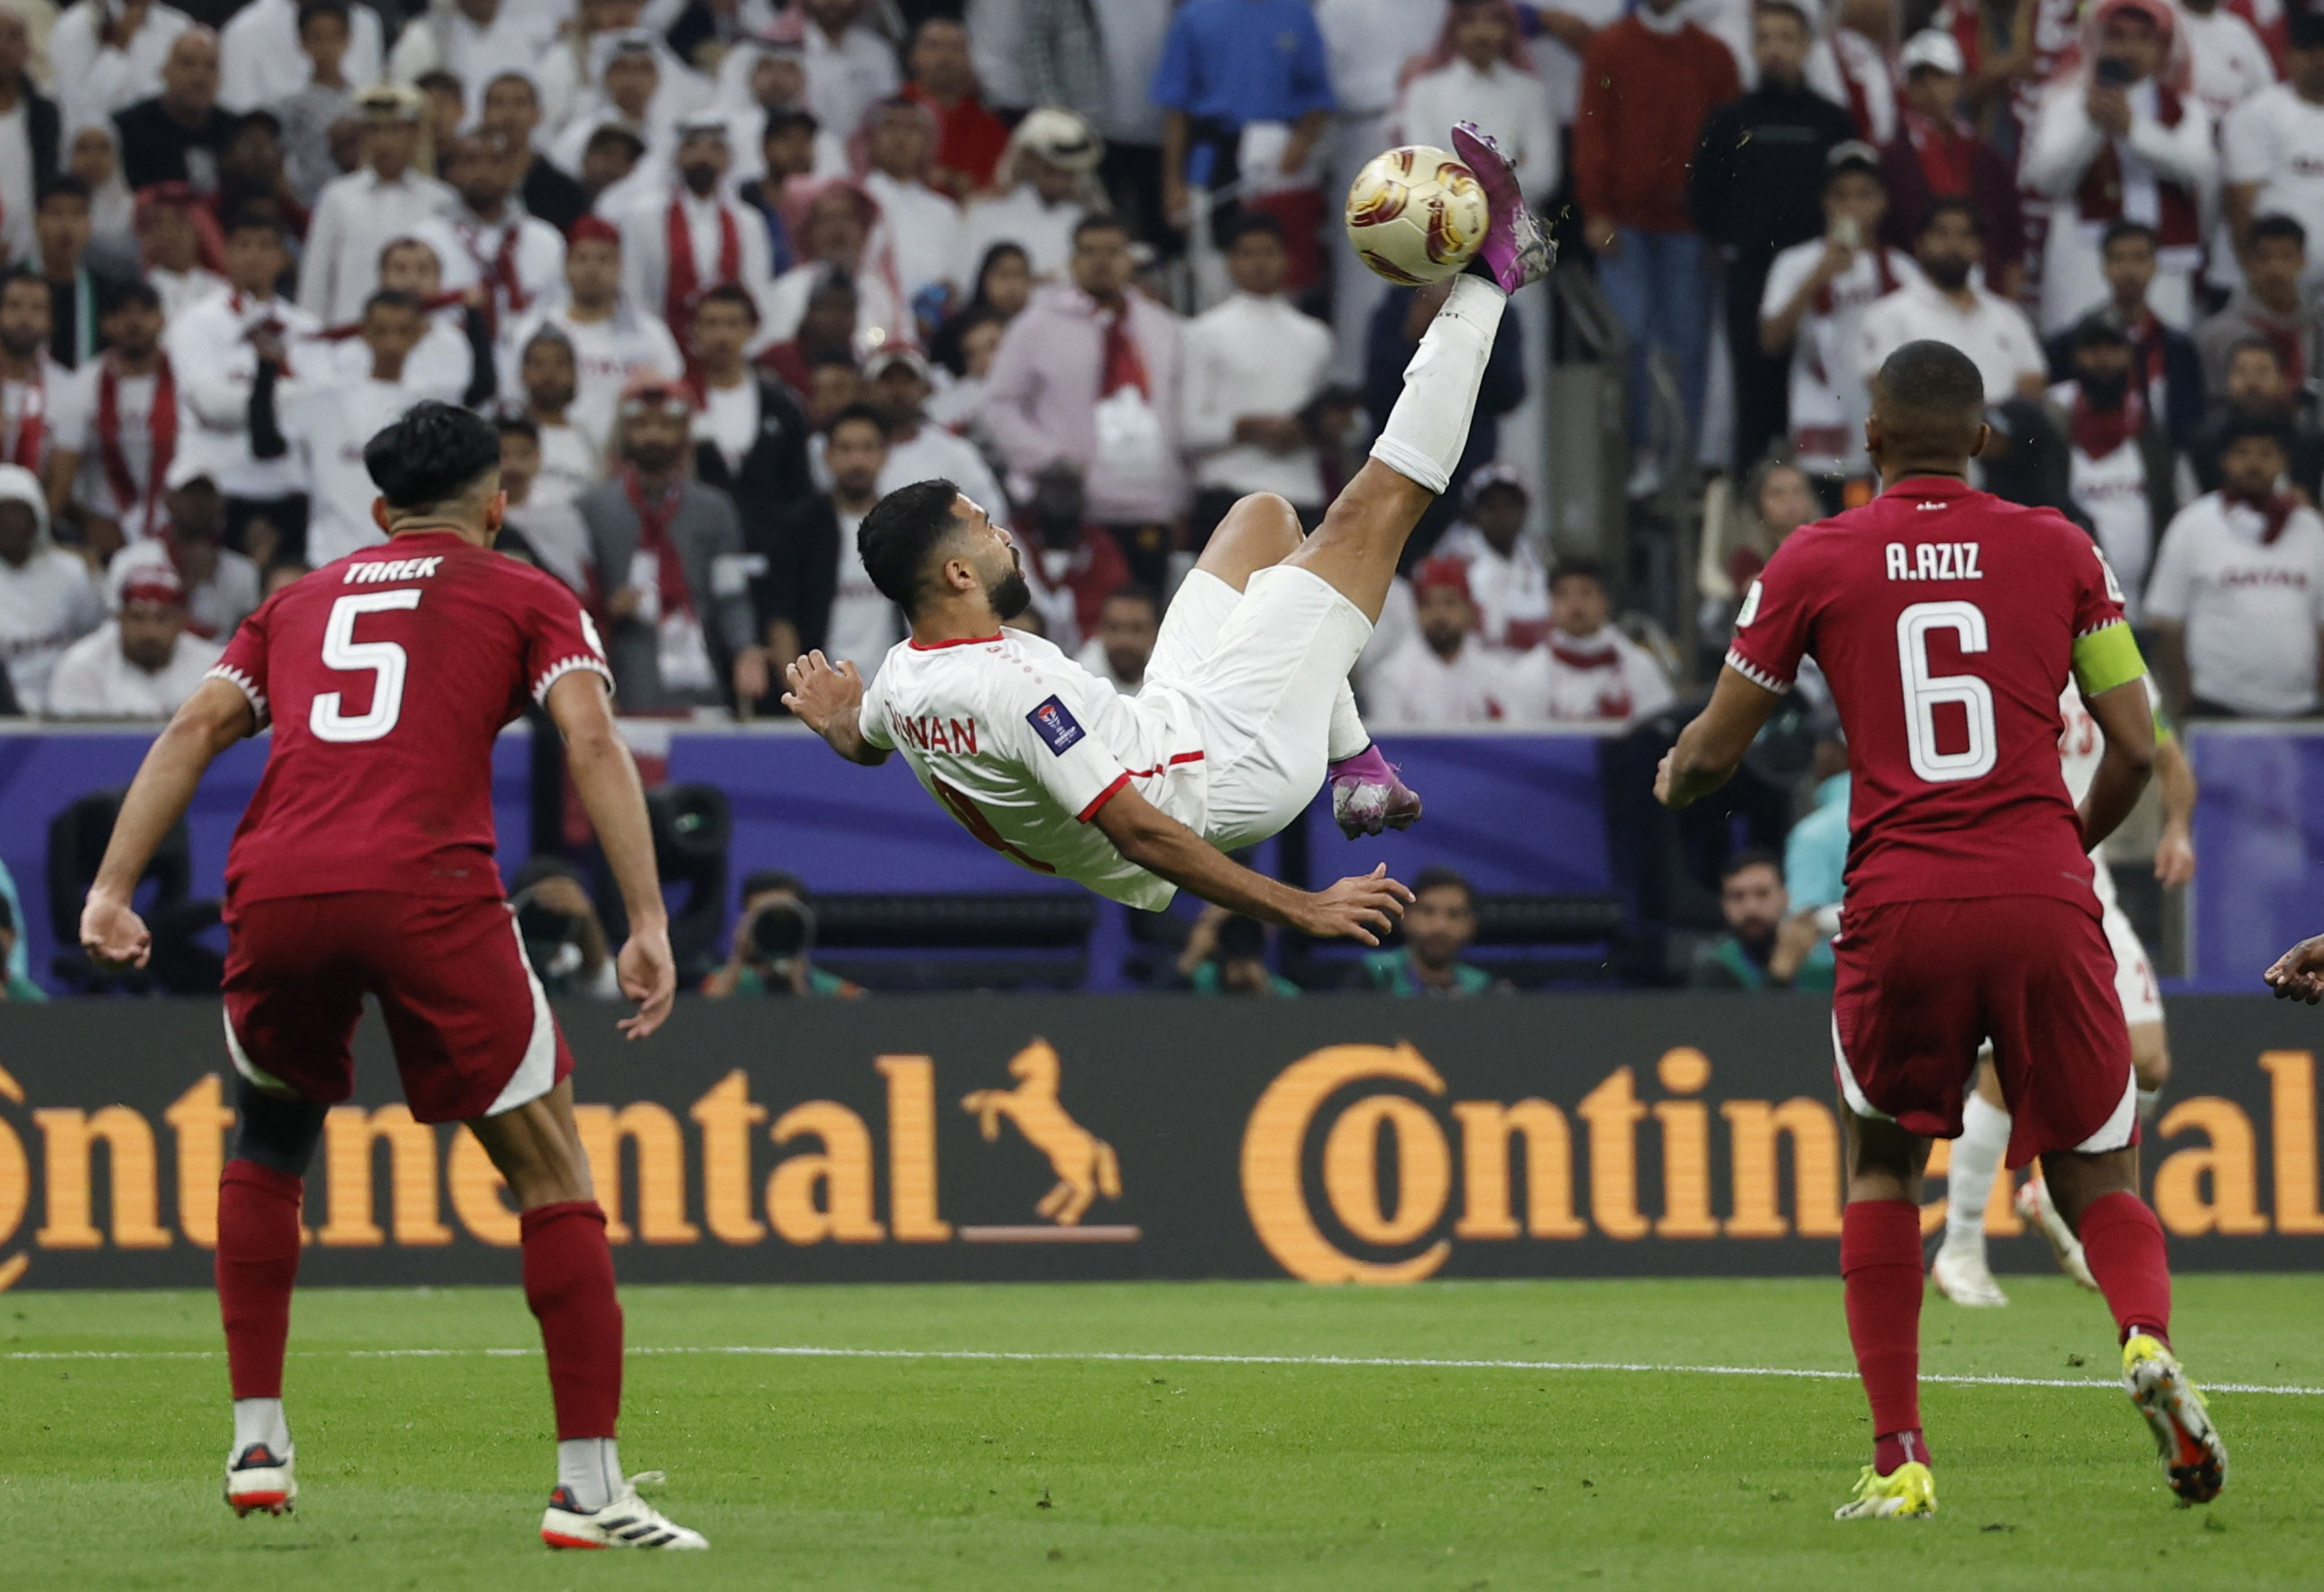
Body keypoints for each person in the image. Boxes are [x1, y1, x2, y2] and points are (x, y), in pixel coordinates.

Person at [75, 400, 704, 1551]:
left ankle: (258, 1440)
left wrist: (110, 889)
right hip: (425, 884)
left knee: (269, 1139)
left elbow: (190, 731)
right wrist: (648, 915)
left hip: (277, 884)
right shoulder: (527, 593)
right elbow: (593, 740)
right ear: (497, 505)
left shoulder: (296, 600)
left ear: (378, 512)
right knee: (550, 1161)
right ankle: (588, 1488)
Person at [1656, 337, 2224, 1518]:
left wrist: (1674, 780)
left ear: (1868, 439)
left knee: (1879, 1160)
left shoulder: (1812, 556)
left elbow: (1714, 753)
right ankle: (2141, 1340)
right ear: (1981, 439)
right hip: (2039, 890)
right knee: (2097, 1168)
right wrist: (2063, 847)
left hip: (1900, 901)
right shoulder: (2063, 549)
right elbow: (2131, 744)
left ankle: (1901, 1457)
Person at [783, 124, 1553, 931]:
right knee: (1376, 503)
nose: (1001, 533)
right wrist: (1302, 906)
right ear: (958, 577)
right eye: (981, 529)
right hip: (1226, 775)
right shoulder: (1013, 690)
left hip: (1167, 723)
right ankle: (1498, 271)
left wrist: (838, 714)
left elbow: (862, 739)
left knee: (1260, 519)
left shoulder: (904, 675)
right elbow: (1143, 833)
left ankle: (1355, 762)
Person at [1932, 674, 2197, 1308]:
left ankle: (2049, 1192)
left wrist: (2176, 827)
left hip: (2086, 872)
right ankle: (1959, 1245)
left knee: (2150, 1059)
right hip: (2015, 872)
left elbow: (2163, 756)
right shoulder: (2006, 650)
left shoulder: (2111, 665)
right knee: (2004, 1068)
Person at [1690, 1, 1862, 474]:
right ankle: (1758, 509)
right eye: (1765, 39)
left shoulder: (1831, 123)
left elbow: (1856, 193)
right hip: (1752, 276)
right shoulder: (1730, 122)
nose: (1776, 50)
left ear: (1806, 47)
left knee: (1824, 388)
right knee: (1755, 394)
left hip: (1820, 274)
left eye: (1787, 38)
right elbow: (1704, 194)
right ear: (1752, 47)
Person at [1574, 0, 1740, 483]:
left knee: (1687, 342)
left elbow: (1726, 146)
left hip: (1689, 229)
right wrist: (1595, 208)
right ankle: (1640, 451)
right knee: (1632, 337)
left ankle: (1680, 458)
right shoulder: (1609, 48)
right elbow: (1593, 127)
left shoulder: (1714, 57)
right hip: (1624, 222)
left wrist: (1717, 224)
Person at [982, 214, 1186, 583]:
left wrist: (1177, 494)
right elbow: (1000, 404)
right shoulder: (1036, 325)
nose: (1102, 261)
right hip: (1073, 507)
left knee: (1146, 628)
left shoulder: (1162, 327)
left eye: (1113, 251)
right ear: (1072, 261)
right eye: (1089, 251)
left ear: (1130, 259)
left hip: (1146, 505)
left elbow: (1174, 411)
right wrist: (1049, 462)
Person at [2022, 0, 2217, 335]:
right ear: (2097, 43)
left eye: (2143, 39)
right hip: (2085, 259)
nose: (2129, 49)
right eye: (2117, 37)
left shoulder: (2188, 111)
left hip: (2163, 263)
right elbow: (2046, 180)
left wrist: (2133, 131)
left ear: (2161, 48)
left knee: (2160, 362)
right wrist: (2092, 128)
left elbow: (2199, 172)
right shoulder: (2066, 103)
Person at [578, 377, 761, 712]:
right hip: (625, 681)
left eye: (666, 425)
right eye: (641, 425)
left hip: (702, 684)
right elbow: (576, 599)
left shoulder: (714, 509)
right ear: (624, 433)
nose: (653, 436)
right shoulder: (593, 509)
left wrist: (745, 648)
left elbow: (731, 593)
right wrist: (607, 608)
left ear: (684, 433)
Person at [1761, 143, 1923, 483]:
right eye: (1841, 196)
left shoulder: (1902, 270)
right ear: (1826, 201)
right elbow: (1770, 340)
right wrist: (1818, 277)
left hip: (1884, 415)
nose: (1852, 207)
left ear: (1882, 203)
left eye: (1864, 195)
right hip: (1821, 405)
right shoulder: (1795, 262)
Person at [2146, 412, 2324, 719]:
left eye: (2265, 454)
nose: (2253, 464)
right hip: (2215, 708)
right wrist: (2186, 703)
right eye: (2242, 453)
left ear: (2283, 461)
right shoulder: (2193, 525)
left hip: (2300, 712)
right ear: (2224, 460)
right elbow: (2165, 623)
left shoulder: (2309, 528)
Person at [1179, 214, 1335, 544]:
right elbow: (1188, 428)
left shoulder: (1314, 337)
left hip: (1300, 495)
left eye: (1268, 252)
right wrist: (1244, 428)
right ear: (1230, 262)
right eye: (1247, 254)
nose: (1259, 263)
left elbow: (1335, 422)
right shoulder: (1204, 333)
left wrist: (1312, 430)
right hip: (1229, 495)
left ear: (1286, 259)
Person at [266, 290, 432, 564]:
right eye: (381, 331)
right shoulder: (326, 399)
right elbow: (268, 440)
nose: (392, 343)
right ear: (364, 332)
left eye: (403, 331)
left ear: (419, 334)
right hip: (331, 556)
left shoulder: (429, 409)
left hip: (400, 560)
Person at [1150, 0, 1334, 237]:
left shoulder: (1297, 13)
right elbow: (1176, 108)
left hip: (1280, 157)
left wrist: (1303, 139)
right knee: (1213, 258)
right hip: (1215, 155)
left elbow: (1319, 96)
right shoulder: (1195, 14)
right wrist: (1173, 182)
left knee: (1284, 257)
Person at [501, 217, 685, 453]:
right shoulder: (533, 330)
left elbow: (672, 398)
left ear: (620, 266)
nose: (592, 269)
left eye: (604, 260)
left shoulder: (650, 334)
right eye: (582, 259)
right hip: (551, 452)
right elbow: (513, 397)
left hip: (626, 457)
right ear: (566, 265)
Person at [2039, 317, 2177, 611]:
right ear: (2076, 356)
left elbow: (2166, 507)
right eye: (2092, 348)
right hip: (2072, 607)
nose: (2103, 359)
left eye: (2113, 348)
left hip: (2142, 606)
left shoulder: (2147, 429)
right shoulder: (2053, 427)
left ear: (2129, 356)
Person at [1878, 30, 2024, 295]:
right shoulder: (1890, 159)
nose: (1930, 87)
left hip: (1982, 295)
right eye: (1919, 78)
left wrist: (2009, 305)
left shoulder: (1986, 157)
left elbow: (2011, 241)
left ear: (1959, 83)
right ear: (1906, 86)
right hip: (1913, 293)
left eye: (1940, 76)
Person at [1857, 201, 2046, 404]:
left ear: (1980, 247)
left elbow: (2034, 378)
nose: (1954, 244)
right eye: (1942, 234)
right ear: (1919, 244)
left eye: (1966, 235)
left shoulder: (2007, 314)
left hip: (2002, 429)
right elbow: (1883, 383)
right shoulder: (1889, 313)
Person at [299, 86, 457, 328]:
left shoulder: (441, 200)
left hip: (420, 337)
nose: (384, 141)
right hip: (349, 338)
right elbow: (316, 281)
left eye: (394, 130)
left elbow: (450, 278)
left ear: (414, 135)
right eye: (374, 130)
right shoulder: (337, 197)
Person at [619, 116, 775, 358]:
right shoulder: (644, 216)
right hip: (661, 349)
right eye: (692, 147)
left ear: (728, 159)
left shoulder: (748, 222)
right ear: (676, 156)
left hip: (729, 351)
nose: (703, 157)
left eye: (715, 149)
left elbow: (756, 293)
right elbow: (634, 291)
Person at [2046, 221, 2208, 451]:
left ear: (2154, 265)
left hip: (2161, 459)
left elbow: (2189, 419)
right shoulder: (2069, 344)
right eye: (2118, 259)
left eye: (2139, 258)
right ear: (2104, 266)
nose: (2128, 270)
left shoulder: (2177, 347)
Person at [758, 401, 891, 678]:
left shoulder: (905, 528)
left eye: (867, 448)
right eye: (845, 448)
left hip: (894, 694)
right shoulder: (798, 527)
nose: (857, 460)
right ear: (827, 455)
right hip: (825, 692)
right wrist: (801, 692)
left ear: (884, 455)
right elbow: (781, 618)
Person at [50, 281, 175, 557]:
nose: (134, 321)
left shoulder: (186, 379)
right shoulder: (83, 385)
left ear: (162, 319)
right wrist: (87, 521)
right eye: (122, 313)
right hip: (104, 528)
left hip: (176, 528)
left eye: (144, 312)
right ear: (106, 324)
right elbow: (61, 476)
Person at [687, 282, 813, 544]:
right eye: (711, 324)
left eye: (733, 324)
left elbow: (798, 485)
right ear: (696, 331)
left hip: (772, 545)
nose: (722, 335)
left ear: (752, 329)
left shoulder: (781, 405)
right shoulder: (682, 402)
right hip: (699, 542)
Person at [414, 131, 566, 338]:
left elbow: (559, 311)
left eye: (495, 162)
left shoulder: (545, 240)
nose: (483, 171)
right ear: (451, 172)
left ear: (514, 170)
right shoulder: (426, 239)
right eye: (471, 161)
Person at [1502, 558, 1676, 723]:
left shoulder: (1640, 666)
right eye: (1563, 594)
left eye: (1586, 593)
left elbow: (1658, 732)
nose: (1575, 604)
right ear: (1551, 604)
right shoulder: (1529, 674)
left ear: (1605, 601)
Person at [2220, 13, 2324, 289]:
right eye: (2309, 52)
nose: (2319, 61)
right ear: (2288, 57)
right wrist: (2256, 274)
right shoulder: (2258, 112)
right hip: (2261, 284)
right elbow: (2239, 203)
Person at [46, 564, 223, 718]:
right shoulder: (81, 666)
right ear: (120, 619)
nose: (149, 631)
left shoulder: (216, 668)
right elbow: (75, 747)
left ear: (182, 621)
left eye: (162, 619)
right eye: (137, 618)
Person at [0, 463, 105, 714]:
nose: (9, 523)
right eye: (2, 513)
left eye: (19, 513)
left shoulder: (71, 571)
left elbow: (95, 638)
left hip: (68, 706)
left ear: (38, 517)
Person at [106, 473, 262, 640]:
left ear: (221, 505)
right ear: (169, 501)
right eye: (189, 494)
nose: (198, 504)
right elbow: (116, 628)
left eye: (207, 496)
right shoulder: (132, 561)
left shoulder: (243, 571)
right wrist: (188, 585)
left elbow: (249, 640)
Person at [1363, 554, 1510, 727]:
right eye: (1427, 604)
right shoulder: (1391, 678)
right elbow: (1392, 750)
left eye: (1450, 603)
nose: (1439, 614)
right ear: (1416, 611)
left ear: (1469, 610)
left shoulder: (1496, 674)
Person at [960, 108, 1104, 283]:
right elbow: (971, 282)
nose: (1060, 179)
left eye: (1068, 172)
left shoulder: (1084, 221)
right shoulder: (986, 214)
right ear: (1030, 161)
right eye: (1051, 169)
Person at [2191, 212, 2319, 399]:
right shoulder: (2213, 337)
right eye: (2265, 257)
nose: (2276, 267)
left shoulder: (2317, 326)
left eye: (2286, 256)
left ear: (2302, 261)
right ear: (2248, 263)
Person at [859, 96, 962, 318]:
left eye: (912, 128)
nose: (901, 137)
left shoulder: (944, 211)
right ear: (871, 139)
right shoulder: (855, 201)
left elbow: (953, 281)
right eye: (890, 126)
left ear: (927, 142)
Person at [866, 345, 1002, 513]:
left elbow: (991, 510)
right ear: (868, 390)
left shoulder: (954, 451)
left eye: (907, 380)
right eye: (887, 381)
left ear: (925, 389)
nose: (897, 390)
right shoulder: (850, 450)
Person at [1012, 461, 1132, 650]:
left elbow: (1117, 607)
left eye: (1068, 491)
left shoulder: (1101, 548)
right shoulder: (1013, 540)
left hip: (1091, 652)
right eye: (1053, 490)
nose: (1060, 500)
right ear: (1036, 495)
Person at [2187, 336, 2324, 500]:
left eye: (2262, 371)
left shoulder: (2310, 442)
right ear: (2228, 380)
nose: (2252, 382)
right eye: (2241, 371)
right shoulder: (2204, 441)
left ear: (2282, 380)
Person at [50, 0, 193, 152]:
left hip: (168, 150)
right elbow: (76, 113)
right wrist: (117, 49)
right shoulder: (75, 27)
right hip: (105, 156)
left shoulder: (179, 26)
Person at [699, 870, 862, 998]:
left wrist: (797, 984)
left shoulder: (839, 992)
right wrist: (738, 954)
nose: (775, 928)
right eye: (764, 917)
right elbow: (701, 1022)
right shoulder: (721, 983)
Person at [1689, 847, 1834, 989]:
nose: (1750, 907)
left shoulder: (1819, 972)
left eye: (1762, 894)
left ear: (1785, 898)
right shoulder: (1715, 973)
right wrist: (1780, 972)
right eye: (1737, 896)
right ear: (1724, 905)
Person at [900, 15, 1009, 199]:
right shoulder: (889, 116)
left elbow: (997, 192)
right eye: (933, 46)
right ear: (913, 56)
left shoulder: (992, 129)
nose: (945, 57)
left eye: (955, 48)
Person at [115, 27, 233, 198]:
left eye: (210, 66)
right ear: (165, 71)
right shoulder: (128, 128)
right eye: (187, 63)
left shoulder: (235, 132)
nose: (199, 77)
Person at [1346, 866, 1495, 996]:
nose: (1440, 925)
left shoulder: (1485, 990)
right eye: (1428, 912)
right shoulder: (1375, 976)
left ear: (1470, 925)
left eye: (1454, 914)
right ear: (1405, 916)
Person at [480, 71, 589, 237]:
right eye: (498, 103)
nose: (509, 114)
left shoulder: (564, 191)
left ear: (538, 114)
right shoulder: (466, 183)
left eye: (520, 103)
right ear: (484, 114)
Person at [273, 0, 357, 208]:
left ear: (348, 40)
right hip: (311, 202)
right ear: (302, 43)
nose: (327, 47)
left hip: (355, 201)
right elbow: (278, 162)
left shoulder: (361, 100)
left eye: (335, 37)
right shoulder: (292, 105)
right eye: (317, 37)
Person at [495, 416, 591, 593]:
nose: (513, 466)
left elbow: (578, 580)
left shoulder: (562, 515)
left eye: (524, 454)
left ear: (538, 458)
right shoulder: (476, 515)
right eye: (504, 455)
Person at [510, 327, 602, 503]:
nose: (549, 374)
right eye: (538, 364)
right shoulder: (504, 437)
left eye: (559, 364)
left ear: (575, 374)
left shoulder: (591, 441)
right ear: (522, 373)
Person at [0, 270, 62, 485]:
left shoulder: (67, 388)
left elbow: (60, 481)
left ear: (51, 322)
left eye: (37, 308)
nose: (24, 318)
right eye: (14, 305)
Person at [1172, 904, 1300, 997]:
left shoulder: (1284, 993)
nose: (1239, 936)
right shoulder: (1197, 978)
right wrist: (1191, 956)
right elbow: (1158, 1010)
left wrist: (1265, 992)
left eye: (1248, 930)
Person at [1076, 583, 1158, 695]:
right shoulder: (1082, 678)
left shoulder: (1168, 670)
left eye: (1136, 629)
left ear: (1154, 633)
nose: (1124, 639)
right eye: (1114, 628)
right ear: (1099, 631)